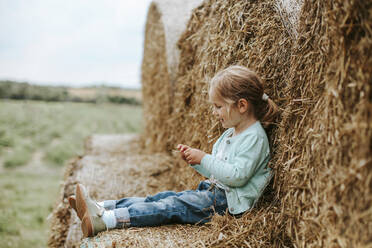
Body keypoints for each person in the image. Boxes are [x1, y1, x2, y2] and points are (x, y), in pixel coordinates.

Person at [68, 65, 278, 237]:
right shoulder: (233, 132)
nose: (214, 113)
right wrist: (197, 162)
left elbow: (237, 177)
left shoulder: (255, 137)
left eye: (218, 107)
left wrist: (204, 158)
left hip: (227, 204)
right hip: (214, 193)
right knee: (159, 199)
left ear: (241, 106)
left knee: (168, 207)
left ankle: (106, 221)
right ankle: (101, 206)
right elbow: (220, 173)